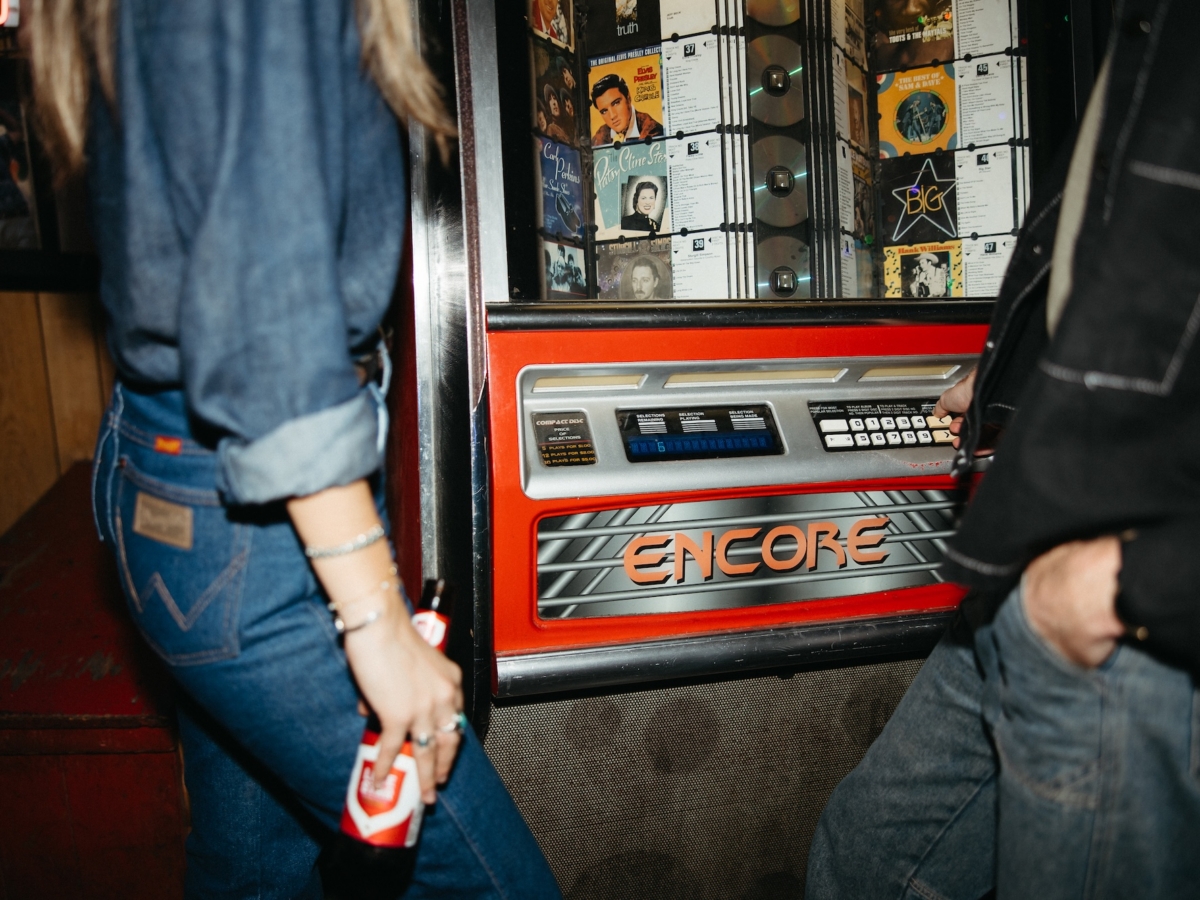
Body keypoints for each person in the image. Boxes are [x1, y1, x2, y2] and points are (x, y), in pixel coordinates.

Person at [29, 1, 562, 897]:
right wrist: (377, 622)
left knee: (254, 871)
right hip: (251, 513)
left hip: (202, 487)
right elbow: (262, 331)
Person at [807, 8, 1200, 898]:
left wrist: (1133, 584)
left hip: (1134, 599)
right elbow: (1129, 239)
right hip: (1044, 536)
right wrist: (1005, 380)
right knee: (863, 859)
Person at [590, 73, 663, 146]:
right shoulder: (599, 137)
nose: (612, 116)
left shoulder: (652, 130)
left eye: (616, 103)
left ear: (628, 98)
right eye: (604, 111)